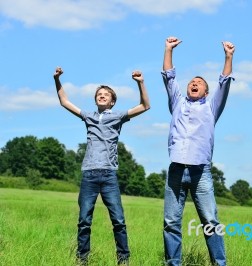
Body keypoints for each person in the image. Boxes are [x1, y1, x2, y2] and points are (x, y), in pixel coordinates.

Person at [53, 67, 150, 265]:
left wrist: (140, 82)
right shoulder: (88, 116)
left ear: (112, 101)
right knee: (84, 221)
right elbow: (64, 101)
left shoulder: (118, 116)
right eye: (99, 94)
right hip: (89, 174)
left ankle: (123, 259)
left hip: (109, 175)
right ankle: (82, 260)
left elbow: (144, 106)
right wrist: (57, 79)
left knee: (119, 221)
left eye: (106, 94)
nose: (102, 96)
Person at [161, 36, 235, 266]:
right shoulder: (177, 103)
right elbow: (168, 77)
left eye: (199, 83)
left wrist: (228, 56)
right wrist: (168, 50)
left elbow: (224, 82)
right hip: (176, 169)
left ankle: (219, 264)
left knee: (210, 220)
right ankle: (173, 263)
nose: (194, 83)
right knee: (171, 222)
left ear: (205, 91)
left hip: (200, 172)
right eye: (191, 81)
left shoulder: (212, 107)